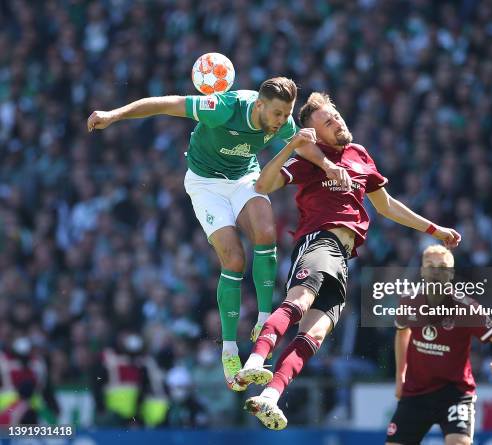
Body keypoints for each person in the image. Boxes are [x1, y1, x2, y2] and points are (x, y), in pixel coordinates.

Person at [87, 77, 351, 390]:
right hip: (205, 184)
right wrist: (114, 115)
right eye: (278, 114)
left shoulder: (282, 123)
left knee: (266, 231)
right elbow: (163, 104)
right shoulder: (223, 108)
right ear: (259, 105)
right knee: (234, 259)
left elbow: (304, 147)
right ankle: (229, 349)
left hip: (243, 178)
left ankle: (264, 319)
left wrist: (329, 166)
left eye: (287, 113)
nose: (283, 121)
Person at [233, 92, 461, 430]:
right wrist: (291, 145)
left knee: (315, 333)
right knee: (300, 301)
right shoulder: (310, 158)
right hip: (318, 240)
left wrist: (433, 229)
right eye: (327, 122)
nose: (337, 122)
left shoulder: (359, 155)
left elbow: (385, 205)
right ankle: (254, 359)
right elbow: (263, 184)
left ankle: (270, 395)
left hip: (342, 258)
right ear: (315, 133)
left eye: (336, 115)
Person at [386, 245, 492, 445]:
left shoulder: (466, 307)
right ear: (422, 271)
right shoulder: (409, 301)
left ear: (451, 273)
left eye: (442, 266)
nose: (436, 271)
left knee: (458, 442)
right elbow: (402, 333)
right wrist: (399, 376)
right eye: (430, 265)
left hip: (454, 392)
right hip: (416, 390)